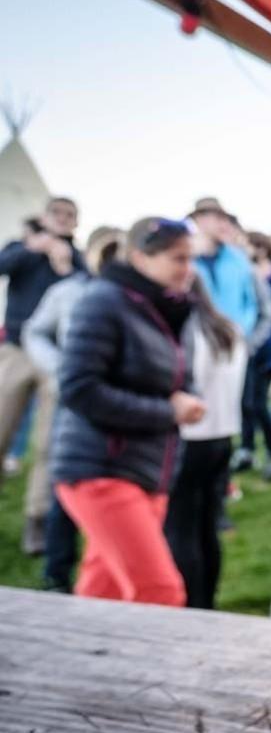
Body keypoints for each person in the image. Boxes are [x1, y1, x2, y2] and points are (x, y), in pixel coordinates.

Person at [51, 217, 205, 606]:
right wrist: (167, 411)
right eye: (178, 258)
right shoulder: (105, 301)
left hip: (143, 469)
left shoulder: (159, 308)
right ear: (140, 257)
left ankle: (75, 664)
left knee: (102, 593)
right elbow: (79, 388)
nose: (188, 269)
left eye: (191, 259)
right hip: (103, 470)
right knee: (160, 592)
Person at [22, 225, 124, 591]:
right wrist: (62, 370)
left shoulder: (139, 299)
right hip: (77, 403)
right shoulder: (66, 292)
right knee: (65, 481)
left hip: (125, 408)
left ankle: (110, 570)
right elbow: (34, 332)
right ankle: (58, 570)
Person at [0, 196, 87, 556]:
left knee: (48, 442)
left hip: (56, 358)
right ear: (46, 216)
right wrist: (35, 250)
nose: (64, 221)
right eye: (58, 214)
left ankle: (36, 519)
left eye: (70, 216)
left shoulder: (76, 258)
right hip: (18, 349)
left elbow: (86, 289)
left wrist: (64, 264)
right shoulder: (23, 248)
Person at [164, 277, 245, 609]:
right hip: (222, 435)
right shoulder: (227, 328)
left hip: (191, 436)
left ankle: (192, 604)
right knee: (206, 526)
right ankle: (206, 602)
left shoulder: (187, 329)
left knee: (181, 527)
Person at [232, 231, 271, 480]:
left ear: (260, 248)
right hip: (247, 352)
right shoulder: (246, 274)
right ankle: (247, 449)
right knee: (246, 403)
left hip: (267, 353)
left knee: (259, 404)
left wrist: (261, 345)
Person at [188, 197, 260, 341]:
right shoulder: (185, 259)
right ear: (200, 219)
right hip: (198, 345)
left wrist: (242, 333)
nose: (225, 224)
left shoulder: (239, 258)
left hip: (235, 344)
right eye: (218, 218)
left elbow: (252, 302)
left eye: (225, 219)